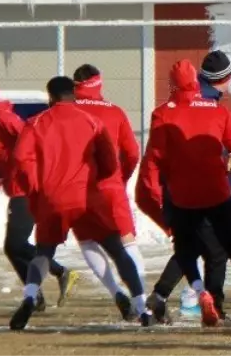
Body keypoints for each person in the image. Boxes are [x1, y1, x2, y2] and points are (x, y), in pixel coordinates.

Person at [9, 76, 147, 330]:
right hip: (88, 198)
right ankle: (140, 304)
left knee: (44, 253)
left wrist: (35, 188)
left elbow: (20, 159)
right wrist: (98, 178)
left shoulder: (36, 123)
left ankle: (29, 296)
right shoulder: (92, 121)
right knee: (116, 249)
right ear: (74, 95)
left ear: (49, 97)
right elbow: (110, 162)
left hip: (53, 199)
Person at [136, 60, 231, 328]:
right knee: (223, 250)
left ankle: (190, 291)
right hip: (217, 191)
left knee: (188, 248)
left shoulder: (163, 114)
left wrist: (155, 195)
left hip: (181, 194)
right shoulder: (217, 110)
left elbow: (154, 160)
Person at [0, 81, 76, 311]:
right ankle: (36, 297)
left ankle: (60, 273)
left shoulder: (4, 118)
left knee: (15, 245)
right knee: (13, 247)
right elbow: (3, 166)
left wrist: (33, 172)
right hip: (19, 188)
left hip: (27, 189)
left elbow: (32, 140)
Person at [69, 65, 143, 318]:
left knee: (87, 242)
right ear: (98, 83)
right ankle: (140, 300)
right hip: (110, 187)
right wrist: (121, 178)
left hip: (76, 189)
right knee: (127, 243)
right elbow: (132, 153)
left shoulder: (66, 111)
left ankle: (116, 293)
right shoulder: (114, 112)